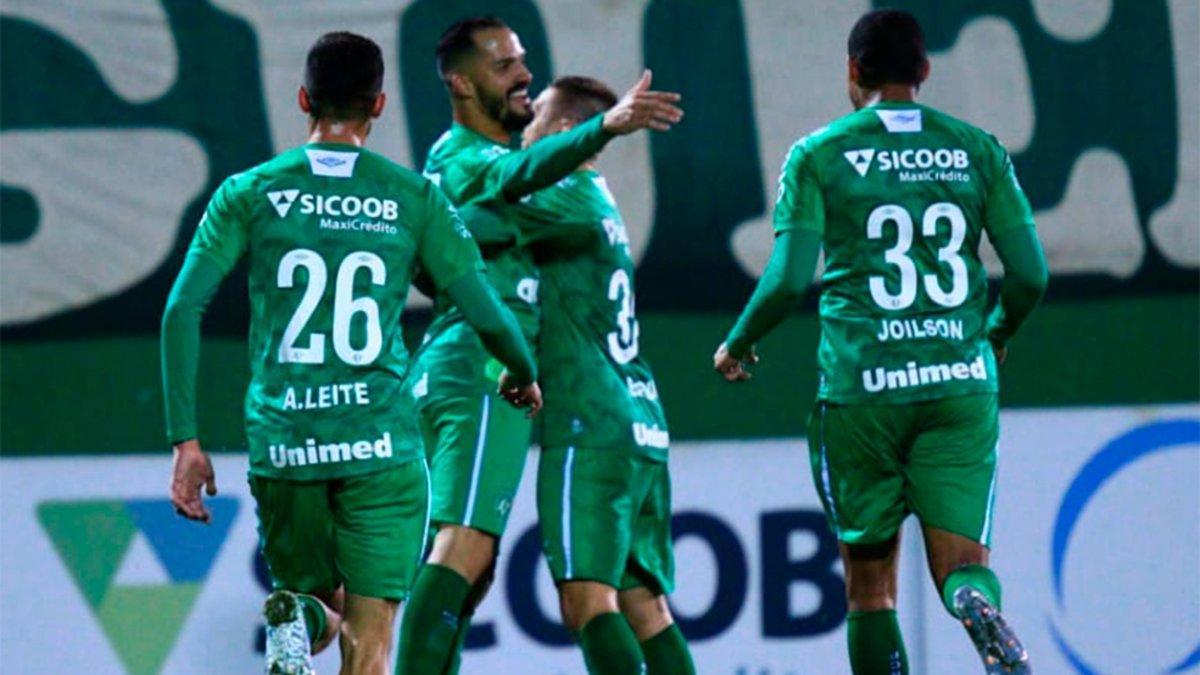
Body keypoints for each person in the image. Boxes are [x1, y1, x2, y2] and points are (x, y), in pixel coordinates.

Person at [161, 32, 540, 675]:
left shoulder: (249, 192)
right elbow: (487, 314)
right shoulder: (414, 198)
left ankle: (298, 618)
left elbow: (180, 310)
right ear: (381, 105)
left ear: (305, 99)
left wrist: (186, 443)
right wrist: (522, 372)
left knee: (315, 604)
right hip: (379, 448)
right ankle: (305, 619)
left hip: (287, 444)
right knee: (369, 641)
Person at [714, 10, 1046, 675]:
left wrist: (739, 342)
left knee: (870, 590)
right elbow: (1030, 273)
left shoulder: (818, 155)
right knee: (964, 568)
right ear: (924, 72)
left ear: (853, 71)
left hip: (863, 391)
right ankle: (977, 605)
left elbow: (784, 281)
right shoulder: (978, 149)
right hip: (959, 381)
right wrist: (996, 332)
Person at [397, 17, 682, 674]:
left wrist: (428, 243)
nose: (524, 76)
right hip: (486, 369)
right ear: (462, 84)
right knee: (474, 552)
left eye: (524, 63)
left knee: (476, 567)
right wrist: (606, 127)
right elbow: (457, 217)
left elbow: (441, 237)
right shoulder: (474, 159)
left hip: (547, 390)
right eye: (505, 66)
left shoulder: (548, 188)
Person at [514, 75, 697, 674]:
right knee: (647, 607)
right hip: (641, 418)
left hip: (590, 423)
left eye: (535, 115)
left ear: (565, 131)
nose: (524, 126)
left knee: (585, 600)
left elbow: (476, 205)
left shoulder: (559, 193)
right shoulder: (599, 196)